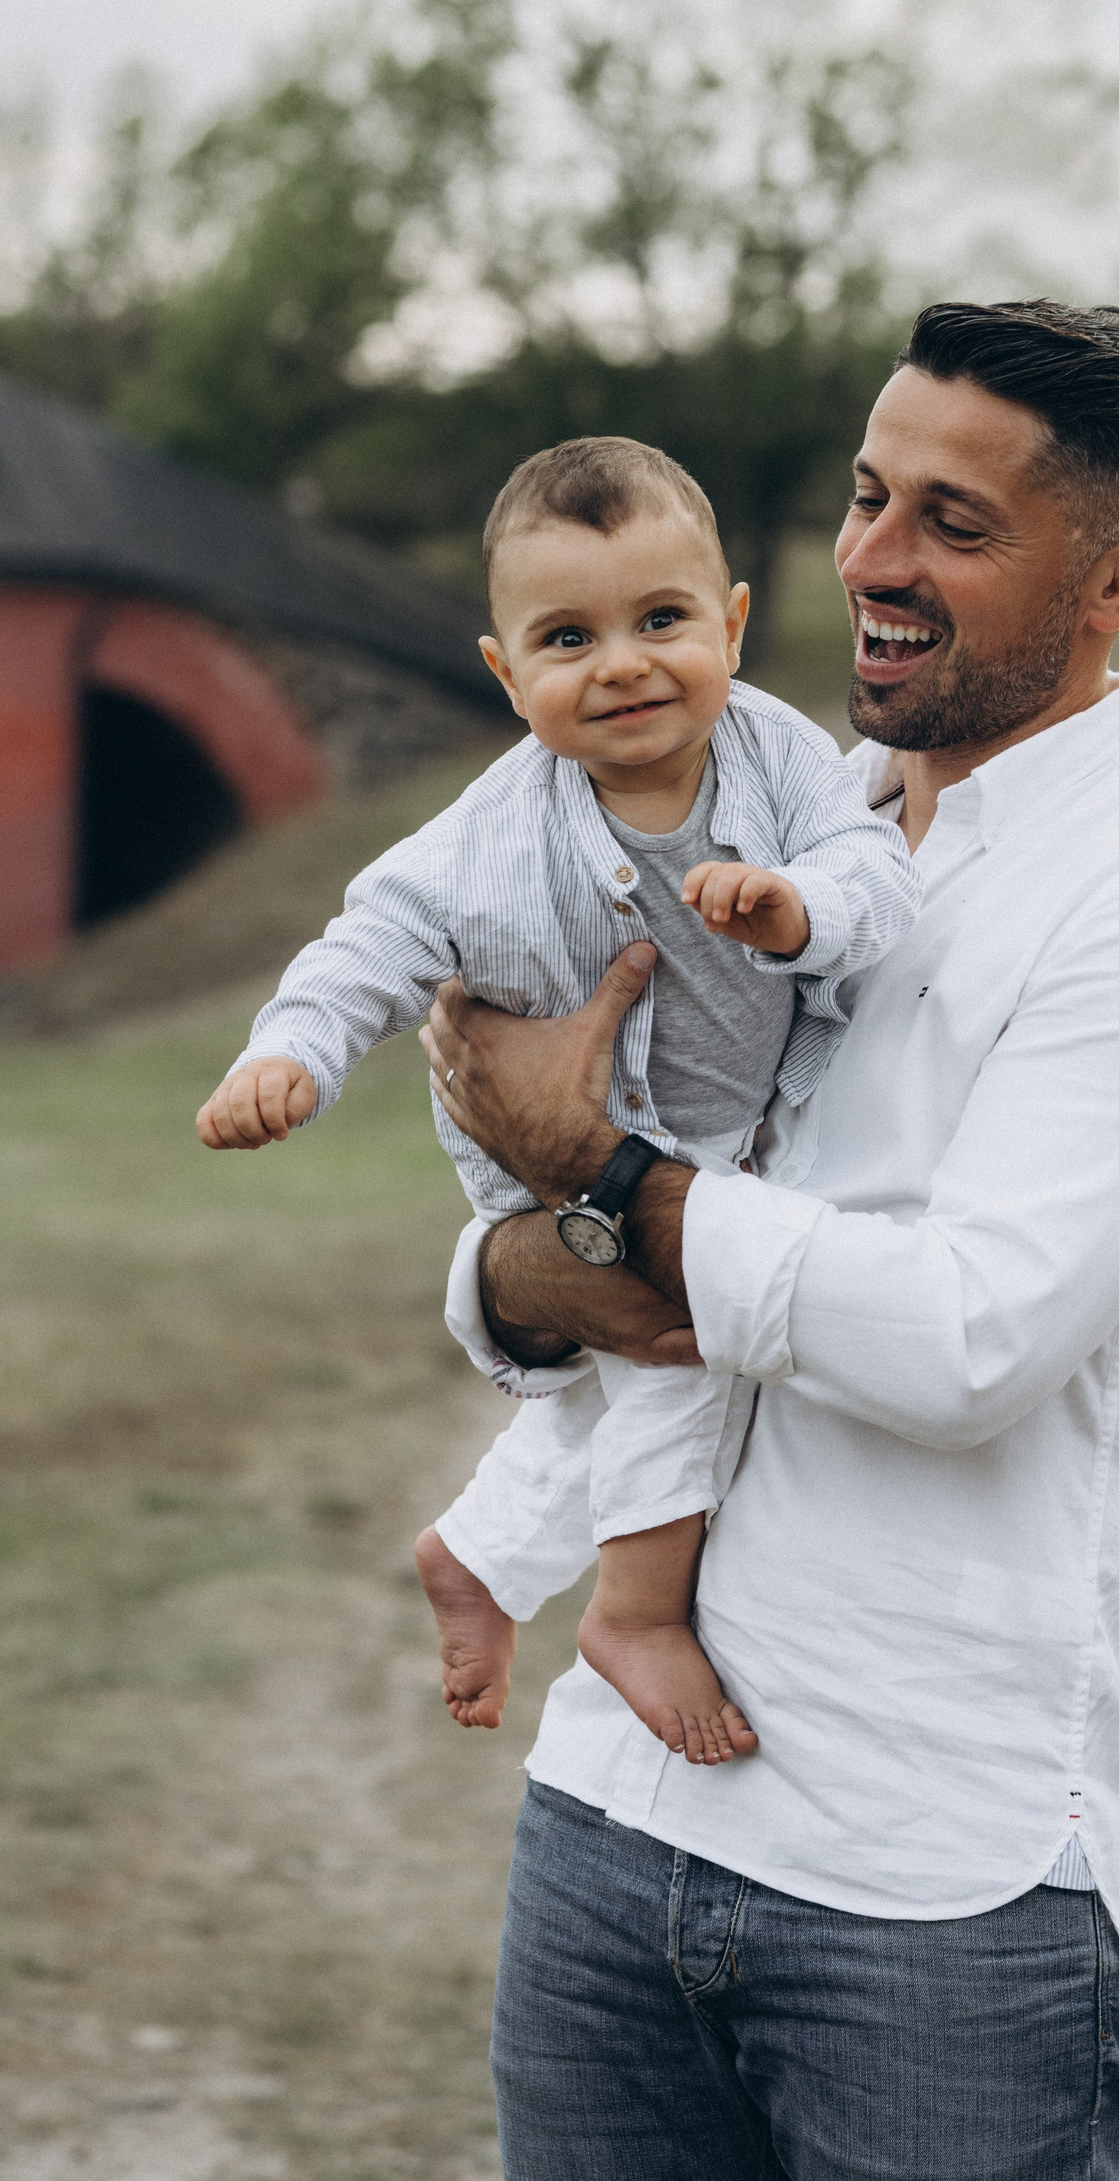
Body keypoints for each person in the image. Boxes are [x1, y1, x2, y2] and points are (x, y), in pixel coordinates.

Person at [417, 299, 1119, 2181]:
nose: (873, 562)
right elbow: (559, 1243)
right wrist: (517, 1260)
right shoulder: (765, 802)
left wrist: (597, 1173)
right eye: (865, 495)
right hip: (615, 1818)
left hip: (942, 1889)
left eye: (953, 524)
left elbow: (963, 1342)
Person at [193, 436, 921, 1763]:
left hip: (728, 1139)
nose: (623, 664)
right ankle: (636, 1614)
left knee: (618, 1379)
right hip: (559, 1152)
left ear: (732, 624)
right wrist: (289, 1053)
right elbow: (371, 942)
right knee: (683, 1363)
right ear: (507, 672)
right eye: (569, 638)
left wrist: (798, 907)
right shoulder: (487, 833)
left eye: (662, 620)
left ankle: (479, 1553)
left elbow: (872, 867)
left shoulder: (781, 759)